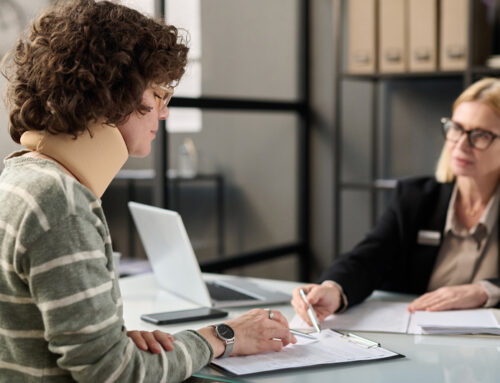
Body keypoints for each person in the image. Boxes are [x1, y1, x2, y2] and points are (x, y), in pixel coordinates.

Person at [0, 1, 295, 381]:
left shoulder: (18, 176)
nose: (163, 112)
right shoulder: (61, 203)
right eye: (156, 94)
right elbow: (116, 374)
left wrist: (110, 340)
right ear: (110, 95)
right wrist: (221, 336)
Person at [292, 77, 500, 325]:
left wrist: (483, 291)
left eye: (480, 135)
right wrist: (334, 289)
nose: (461, 145)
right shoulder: (415, 197)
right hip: (420, 344)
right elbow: (370, 257)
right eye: (456, 128)